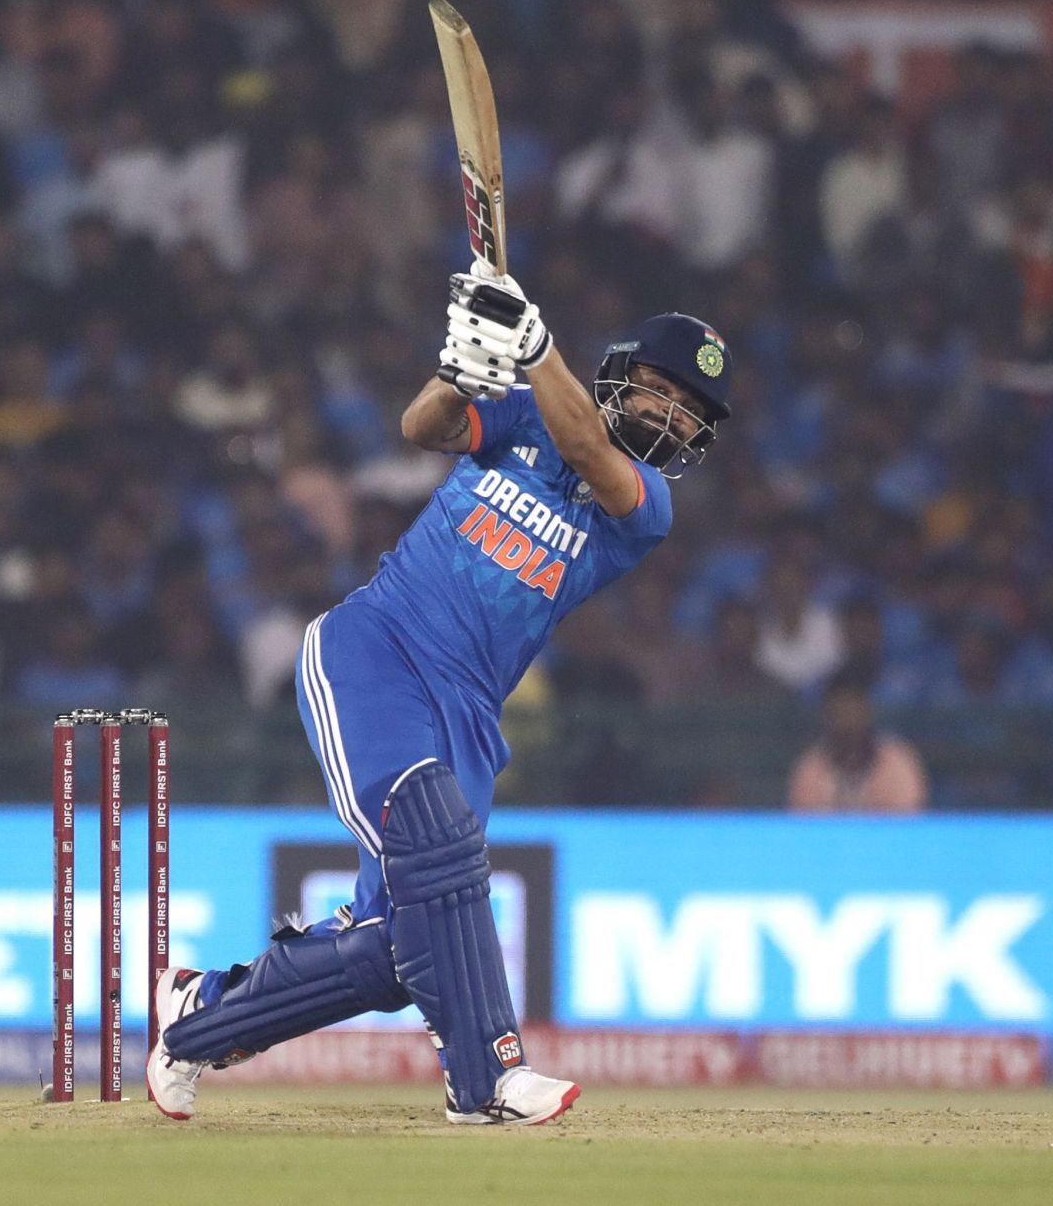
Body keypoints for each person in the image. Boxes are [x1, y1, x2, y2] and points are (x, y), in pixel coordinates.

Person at [146, 268, 734, 1125]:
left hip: (467, 709)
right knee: (438, 831)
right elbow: (422, 426)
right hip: (374, 651)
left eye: (692, 409)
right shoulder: (528, 412)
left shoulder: (644, 506)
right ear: (621, 369)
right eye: (664, 387)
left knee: (394, 955)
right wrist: (462, 367)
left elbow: (586, 450)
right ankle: (487, 1078)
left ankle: (199, 1016)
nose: (672, 414)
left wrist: (534, 348)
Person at [787, 666, 928, 812]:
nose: (848, 722)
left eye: (853, 711)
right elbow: (805, 828)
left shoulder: (898, 761)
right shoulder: (811, 767)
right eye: (840, 713)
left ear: (867, 712)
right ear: (827, 717)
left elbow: (905, 826)